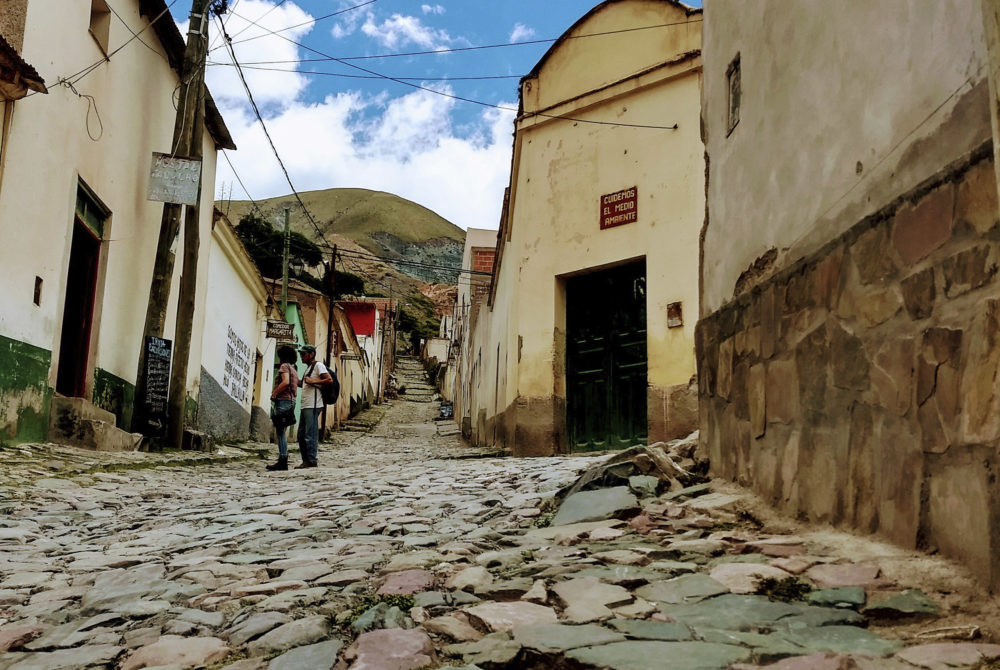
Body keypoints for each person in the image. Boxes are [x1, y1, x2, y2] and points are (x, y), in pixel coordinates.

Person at [296, 344, 334, 468]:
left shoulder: (318, 365)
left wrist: (313, 381)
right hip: (306, 405)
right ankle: (305, 460)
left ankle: (311, 460)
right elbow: (303, 384)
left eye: (304, 354)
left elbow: (329, 380)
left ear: (311, 354)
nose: (301, 356)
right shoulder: (308, 368)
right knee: (301, 434)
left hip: (313, 404)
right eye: (301, 354)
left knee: (310, 433)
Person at [267, 345, 299, 471]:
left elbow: (285, 382)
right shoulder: (294, 369)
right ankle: (283, 459)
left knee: (280, 432)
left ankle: (283, 460)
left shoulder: (284, 367)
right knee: (282, 432)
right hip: (291, 401)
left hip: (283, 401)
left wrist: (274, 393)